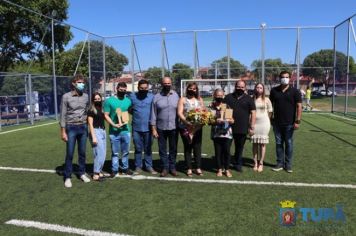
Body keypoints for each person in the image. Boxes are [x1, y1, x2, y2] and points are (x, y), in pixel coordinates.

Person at [59, 74, 90, 188]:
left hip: (83, 127)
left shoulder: (86, 96)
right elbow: (62, 115)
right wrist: (63, 131)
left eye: (83, 82)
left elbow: (87, 111)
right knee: (70, 153)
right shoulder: (66, 97)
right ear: (74, 83)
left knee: (82, 153)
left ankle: (82, 173)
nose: (82, 84)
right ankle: (67, 177)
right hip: (70, 127)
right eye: (80, 82)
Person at [270, 71, 302, 173]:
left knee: (289, 143)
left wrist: (297, 121)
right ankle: (279, 163)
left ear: (290, 78)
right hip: (277, 123)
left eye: (287, 77)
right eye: (283, 77)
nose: (285, 78)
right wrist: (270, 118)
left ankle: (288, 164)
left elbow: (299, 106)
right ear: (279, 78)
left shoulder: (295, 91)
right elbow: (270, 106)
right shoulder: (274, 91)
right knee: (279, 143)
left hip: (290, 123)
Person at [224, 79, 256, 172]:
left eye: (242, 87)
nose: (240, 88)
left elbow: (253, 113)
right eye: (238, 87)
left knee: (239, 148)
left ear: (245, 88)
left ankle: (237, 163)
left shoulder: (249, 99)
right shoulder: (228, 97)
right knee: (226, 147)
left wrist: (252, 126)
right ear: (235, 86)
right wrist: (228, 119)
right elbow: (223, 110)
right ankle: (225, 163)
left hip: (242, 128)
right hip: (228, 128)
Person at [150, 77, 180, 177]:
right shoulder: (156, 97)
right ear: (161, 84)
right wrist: (153, 128)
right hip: (160, 128)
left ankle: (172, 167)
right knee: (162, 149)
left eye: (168, 83)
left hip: (174, 127)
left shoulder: (176, 95)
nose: (167, 85)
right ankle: (165, 168)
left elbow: (180, 111)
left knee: (173, 148)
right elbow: (153, 114)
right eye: (165, 83)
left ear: (171, 84)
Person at [104, 82, 133, 176]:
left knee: (125, 152)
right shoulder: (109, 101)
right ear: (117, 89)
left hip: (126, 130)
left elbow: (130, 112)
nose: (123, 92)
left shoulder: (128, 101)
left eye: (124, 90)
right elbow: (106, 115)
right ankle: (114, 169)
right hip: (114, 131)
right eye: (121, 90)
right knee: (115, 153)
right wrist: (113, 124)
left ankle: (125, 168)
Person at [129, 79, 157, 175]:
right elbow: (128, 109)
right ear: (138, 88)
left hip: (149, 128)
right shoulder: (132, 97)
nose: (144, 90)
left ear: (148, 88)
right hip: (136, 128)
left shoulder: (152, 97)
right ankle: (138, 166)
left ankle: (149, 166)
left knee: (148, 148)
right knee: (138, 148)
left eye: (146, 88)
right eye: (142, 88)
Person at [177, 82, 204, 177]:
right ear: (187, 89)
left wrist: (201, 122)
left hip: (197, 128)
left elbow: (203, 112)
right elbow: (180, 113)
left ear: (196, 90)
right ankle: (189, 168)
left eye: (194, 88)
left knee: (197, 148)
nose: (192, 90)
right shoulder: (182, 99)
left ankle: (198, 167)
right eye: (190, 88)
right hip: (185, 127)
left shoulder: (199, 99)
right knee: (188, 148)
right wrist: (187, 123)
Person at [209, 89, 234, 177]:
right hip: (216, 134)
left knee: (227, 152)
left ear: (223, 96)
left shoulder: (227, 106)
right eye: (217, 96)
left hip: (227, 133)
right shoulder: (211, 107)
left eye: (221, 96)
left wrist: (229, 121)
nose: (219, 97)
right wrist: (216, 121)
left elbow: (231, 120)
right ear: (214, 96)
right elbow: (209, 122)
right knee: (218, 152)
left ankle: (227, 169)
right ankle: (219, 169)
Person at [250, 83, 273, 172]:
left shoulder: (267, 100)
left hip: (264, 124)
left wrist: (267, 119)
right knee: (255, 143)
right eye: (257, 87)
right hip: (254, 123)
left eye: (261, 88)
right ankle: (255, 162)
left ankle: (261, 163)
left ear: (263, 90)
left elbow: (270, 111)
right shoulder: (252, 99)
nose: (259, 89)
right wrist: (250, 124)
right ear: (255, 89)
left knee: (262, 144)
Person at [88, 92, 106, 181]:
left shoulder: (101, 109)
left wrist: (115, 124)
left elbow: (106, 117)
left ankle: (99, 171)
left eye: (99, 99)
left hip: (102, 131)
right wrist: (94, 136)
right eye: (95, 99)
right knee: (98, 153)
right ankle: (95, 173)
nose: (97, 100)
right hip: (95, 131)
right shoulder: (91, 110)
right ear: (92, 100)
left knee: (103, 153)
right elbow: (90, 124)